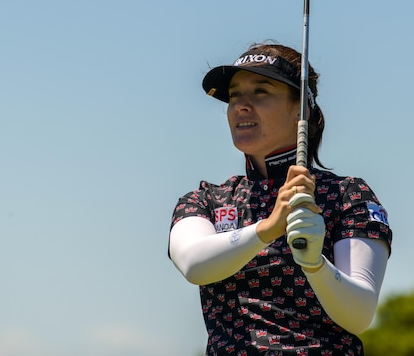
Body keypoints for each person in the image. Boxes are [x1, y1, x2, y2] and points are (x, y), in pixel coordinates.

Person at [168, 42, 393, 356]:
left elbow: (359, 314)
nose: (242, 105)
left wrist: (315, 265)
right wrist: (269, 228)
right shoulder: (206, 200)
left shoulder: (347, 195)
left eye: (261, 91)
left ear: (301, 110)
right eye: (234, 95)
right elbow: (194, 264)